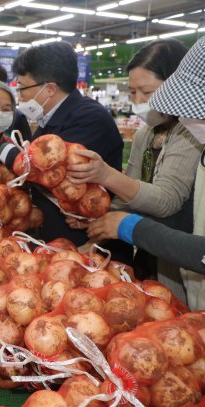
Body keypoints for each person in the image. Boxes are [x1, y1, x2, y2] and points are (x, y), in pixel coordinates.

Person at [66, 39, 199, 292]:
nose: (138, 101)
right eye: (132, 92)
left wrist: (106, 175)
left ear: (177, 86)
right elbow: (131, 197)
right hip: (150, 251)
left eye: (147, 92)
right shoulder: (145, 134)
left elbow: (166, 200)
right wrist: (99, 216)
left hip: (183, 256)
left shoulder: (190, 132)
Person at [0, 41, 124, 250]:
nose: (21, 97)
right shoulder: (51, 120)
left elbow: (46, 170)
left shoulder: (89, 118)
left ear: (49, 89)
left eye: (23, 88)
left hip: (89, 245)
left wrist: (7, 151)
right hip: (61, 238)